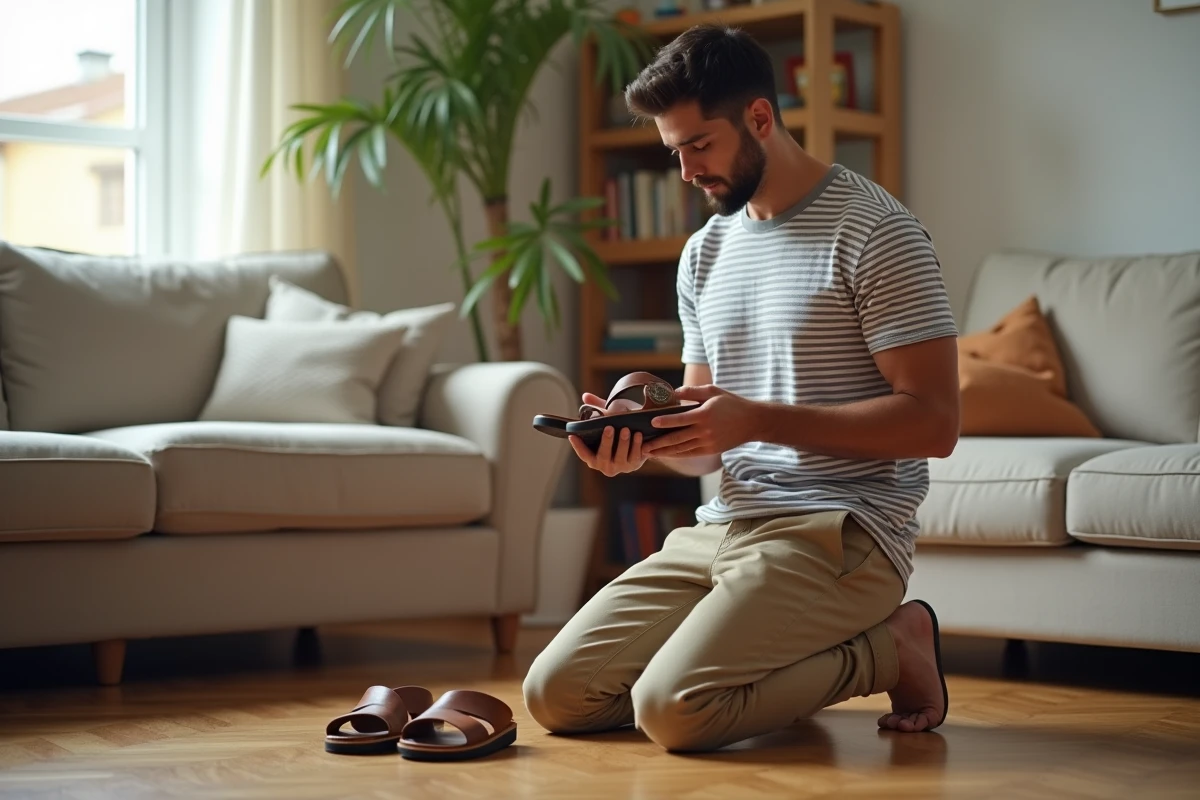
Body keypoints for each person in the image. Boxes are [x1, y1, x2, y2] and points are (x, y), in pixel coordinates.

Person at [522, 23, 960, 752]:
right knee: (556, 695)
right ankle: (756, 668)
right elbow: (706, 440)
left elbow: (935, 424)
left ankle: (898, 644)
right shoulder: (704, 253)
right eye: (674, 152)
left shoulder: (878, 231)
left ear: (760, 118)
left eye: (700, 145)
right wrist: (643, 438)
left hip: (842, 532)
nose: (687, 172)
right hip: (725, 526)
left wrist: (757, 420)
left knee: (675, 710)